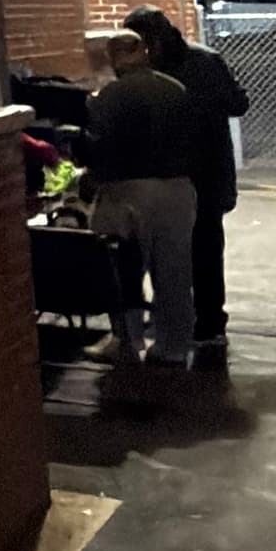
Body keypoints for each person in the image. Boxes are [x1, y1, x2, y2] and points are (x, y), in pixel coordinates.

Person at [81, 23, 202, 376]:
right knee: (175, 273)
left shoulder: (110, 98)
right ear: (145, 53)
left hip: (128, 192)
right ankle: (174, 347)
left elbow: (96, 147)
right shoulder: (176, 90)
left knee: (125, 271)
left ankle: (127, 340)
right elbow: (199, 141)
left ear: (115, 58)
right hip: (179, 190)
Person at [135, 3, 249, 362]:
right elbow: (238, 103)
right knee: (204, 252)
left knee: (173, 252)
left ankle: (186, 321)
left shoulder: (151, 69)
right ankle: (208, 322)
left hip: (175, 175)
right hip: (205, 175)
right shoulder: (206, 60)